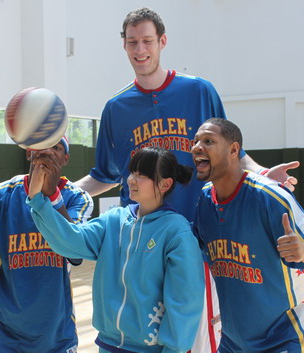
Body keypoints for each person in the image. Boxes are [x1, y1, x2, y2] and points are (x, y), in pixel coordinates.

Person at [73, 7, 299, 352]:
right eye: (132, 42)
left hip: (196, 238)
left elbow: (232, 153)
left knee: (195, 336)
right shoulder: (116, 108)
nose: (140, 49)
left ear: (162, 41)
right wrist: (61, 193)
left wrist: (263, 175)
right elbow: (104, 176)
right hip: (141, 244)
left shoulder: (199, 91)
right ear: (124, 45)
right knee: (141, 336)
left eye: (147, 40)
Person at [27, 147, 205, 353]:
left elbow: (184, 301)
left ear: (165, 184)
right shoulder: (114, 219)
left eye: (142, 175)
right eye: (132, 172)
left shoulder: (176, 232)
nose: (132, 180)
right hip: (108, 345)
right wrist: (38, 201)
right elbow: (71, 242)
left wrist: (174, 350)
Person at [191, 118, 304, 353]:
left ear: (234, 150)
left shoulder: (270, 197)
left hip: (285, 333)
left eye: (208, 141)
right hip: (234, 337)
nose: (197, 147)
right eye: (195, 141)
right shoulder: (205, 199)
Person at [0, 137, 93, 353]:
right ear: (29, 152)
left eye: (55, 147)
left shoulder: (77, 198)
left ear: (65, 159)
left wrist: (53, 195)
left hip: (55, 330)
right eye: (41, 145)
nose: (47, 150)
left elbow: (76, 254)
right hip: (2, 329)